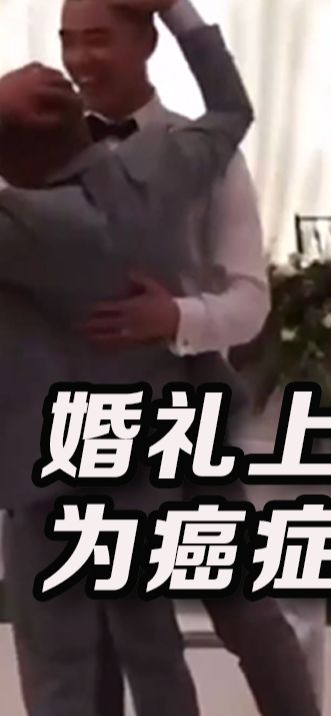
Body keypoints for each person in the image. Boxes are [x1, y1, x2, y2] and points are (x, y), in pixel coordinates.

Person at [54, 2, 322, 714]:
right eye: (68, 41)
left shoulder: (202, 148)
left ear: (146, 40)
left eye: (98, 39)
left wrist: (172, 317)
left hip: (183, 407)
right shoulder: (42, 152)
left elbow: (250, 301)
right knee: (98, 614)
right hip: (80, 412)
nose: (80, 59)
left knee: (240, 601)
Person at [0, 0, 252, 712]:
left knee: (59, 664)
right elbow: (232, 109)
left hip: (47, 468)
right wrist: (176, 10)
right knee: (154, 648)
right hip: (143, 454)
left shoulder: (22, 226)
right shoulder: (160, 167)